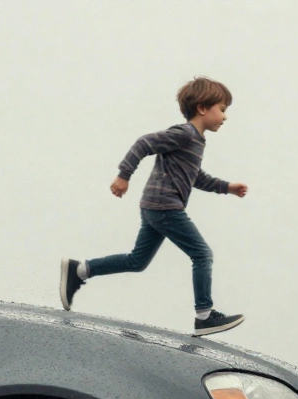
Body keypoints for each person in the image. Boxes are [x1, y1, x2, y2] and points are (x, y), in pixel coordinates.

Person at [60, 76, 248, 336]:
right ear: (202, 108)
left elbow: (196, 177)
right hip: (165, 207)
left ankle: (79, 270)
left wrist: (227, 187)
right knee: (202, 254)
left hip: (154, 207)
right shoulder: (185, 134)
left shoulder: (195, 141)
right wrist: (124, 175)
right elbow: (144, 143)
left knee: (137, 261)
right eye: (222, 109)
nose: (225, 117)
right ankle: (204, 316)